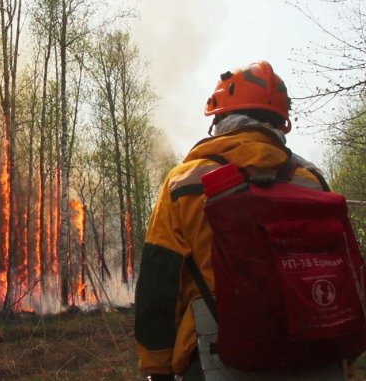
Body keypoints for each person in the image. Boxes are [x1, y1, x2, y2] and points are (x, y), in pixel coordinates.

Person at [133, 60, 329, 381]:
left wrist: (158, 367)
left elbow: (159, 279)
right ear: (281, 125)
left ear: (221, 119)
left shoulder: (185, 182)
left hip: (216, 362)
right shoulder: (311, 182)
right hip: (318, 359)